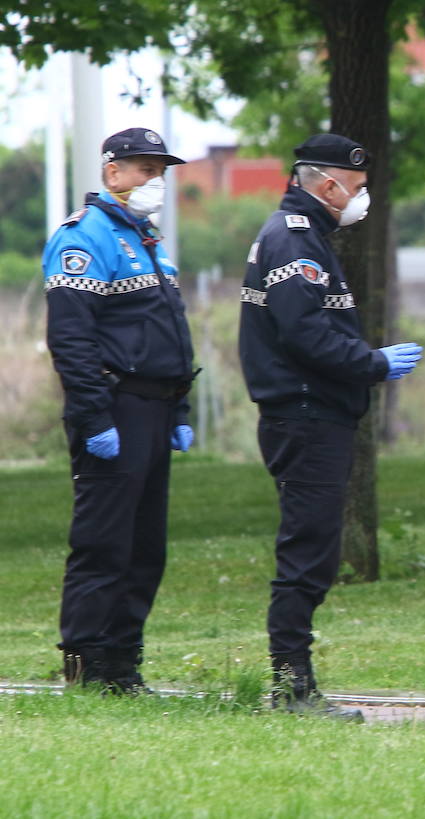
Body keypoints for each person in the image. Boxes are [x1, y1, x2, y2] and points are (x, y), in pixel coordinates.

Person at [238, 133, 423, 719]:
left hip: (313, 414)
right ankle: (292, 688)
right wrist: (373, 364)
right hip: (306, 414)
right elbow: (305, 333)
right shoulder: (294, 242)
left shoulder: (307, 235)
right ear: (327, 184)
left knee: (313, 552)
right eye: (358, 188)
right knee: (307, 554)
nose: (361, 198)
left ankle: (296, 684)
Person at [43, 127, 197, 693]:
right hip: (115, 408)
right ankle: (86, 669)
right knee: (104, 545)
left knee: (144, 547)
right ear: (112, 174)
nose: (154, 181)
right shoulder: (85, 239)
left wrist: (179, 408)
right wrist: (94, 418)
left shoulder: (148, 238)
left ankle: (121, 666)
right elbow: (73, 340)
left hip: (154, 409)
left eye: (159, 172)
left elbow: (167, 332)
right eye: (143, 170)